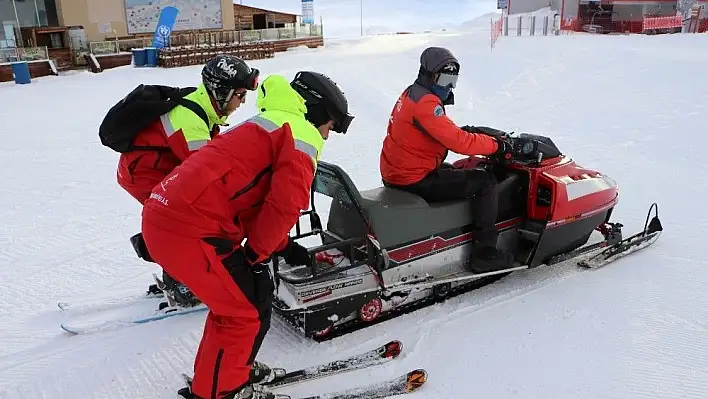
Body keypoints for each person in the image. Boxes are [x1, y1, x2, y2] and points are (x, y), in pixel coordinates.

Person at [140, 71, 353, 399]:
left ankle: (227, 371)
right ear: (320, 112)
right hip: (190, 230)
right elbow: (285, 205)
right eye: (334, 125)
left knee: (238, 303)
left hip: (171, 219)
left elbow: (251, 196)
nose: (330, 133)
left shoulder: (268, 121)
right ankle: (221, 391)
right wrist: (255, 254)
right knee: (244, 312)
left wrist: (281, 246)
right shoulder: (303, 134)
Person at [114, 54, 259, 305]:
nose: (243, 102)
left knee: (182, 219)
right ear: (221, 91)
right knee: (184, 221)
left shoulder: (201, 105)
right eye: (240, 94)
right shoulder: (190, 120)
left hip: (157, 169)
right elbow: (206, 176)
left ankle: (174, 271)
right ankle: (180, 282)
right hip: (144, 174)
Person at [379, 46, 515, 274]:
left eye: (453, 80)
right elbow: (459, 143)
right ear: (430, 75)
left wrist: (466, 132)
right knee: (485, 182)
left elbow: (431, 133)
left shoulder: (412, 93)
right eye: (445, 79)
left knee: (453, 171)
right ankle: (485, 253)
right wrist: (496, 145)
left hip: (397, 172)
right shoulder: (427, 104)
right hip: (414, 179)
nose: (450, 86)